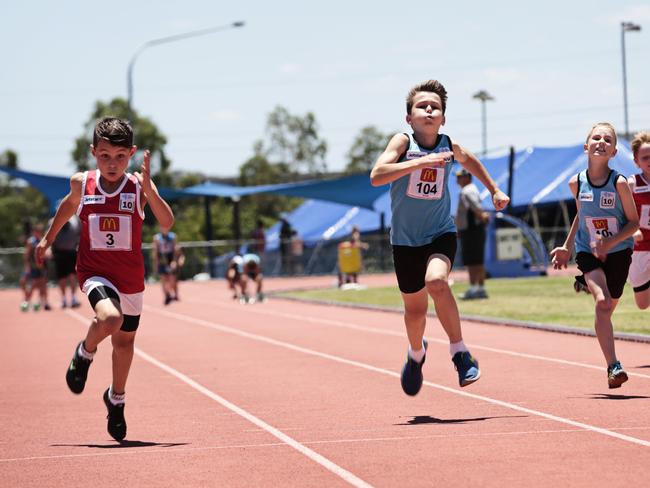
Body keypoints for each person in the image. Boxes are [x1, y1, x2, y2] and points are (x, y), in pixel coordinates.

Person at [36, 117, 174, 441]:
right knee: (110, 318)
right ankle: (85, 352)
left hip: (130, 277)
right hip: (95, 271)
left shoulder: (138, 186)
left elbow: (166, 223)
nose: (112, 164)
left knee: (125, 344)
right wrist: (47, 239)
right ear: (93, 152)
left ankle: (116, 399)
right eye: (105, 156)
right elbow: (68, 209)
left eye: (120, 157)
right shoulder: (81, 183)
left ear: (132, 154)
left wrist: (149, 188)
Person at [370, 79, 509, 396]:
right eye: (422, 106)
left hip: (439, 234)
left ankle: (460, 352)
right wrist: (418, 162)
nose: (429, 110)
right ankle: (416, 354)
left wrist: (494, 189)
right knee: (415, 313)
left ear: (443, 118)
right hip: (405, 242)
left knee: (437, 282)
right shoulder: (402, 143)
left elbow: (469, 160)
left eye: (435, 107)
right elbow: (376, 176)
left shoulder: (449, 144)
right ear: (409, 118)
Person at [551, 122, 638, 389]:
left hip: (619, 253)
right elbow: (582, 214)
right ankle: (613, 366)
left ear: (613, 152)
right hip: (588, 250)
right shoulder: (575, 183)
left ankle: (586, 284)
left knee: (609, 306)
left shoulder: (619, 183)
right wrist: (566, 246)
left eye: (608, 139)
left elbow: (633, 223)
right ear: (586, 146)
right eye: (596, 137)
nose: (601, 141)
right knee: (603, 303)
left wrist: (610, 242)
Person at [455, 168, 490, 299]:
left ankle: (474, 288)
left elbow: (475, 207)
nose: (457, 179)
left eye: (460, 177)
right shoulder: (472, 189)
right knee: (477, 260)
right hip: (474, 229)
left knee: (472, 261)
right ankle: (480, 288)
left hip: (471, 230)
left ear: (467, 178)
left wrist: (482, 216)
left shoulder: (467, 190)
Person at [627, 131, 650, 310]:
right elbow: (621, 213)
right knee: (642, 304)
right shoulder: (632, 184)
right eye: (645, 157)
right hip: (640, 249)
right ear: (637, 161)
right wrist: (632, 229)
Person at [51, 215, 81, 308]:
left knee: (66, 276)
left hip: (64, 252)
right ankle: (70, 298)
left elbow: (50, 237)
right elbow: (80, 235)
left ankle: (68, 298)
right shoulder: (75, 220)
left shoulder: (53, 220)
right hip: (67, 252)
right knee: (68, 276)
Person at [21, 223, 51, 311]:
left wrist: (48, 254)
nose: (38, 233)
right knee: (32, 284)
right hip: (33, 267)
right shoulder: (31, 241)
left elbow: (48, 252)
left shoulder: (43, 240)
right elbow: (26, 255)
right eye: (37, 231)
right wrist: (27, 267)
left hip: (42, 267)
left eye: (40, 231)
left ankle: (44, 302)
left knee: (43, 285)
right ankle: (27, 301)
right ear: (34, 232)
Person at [152, 226, 181, 305]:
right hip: (162, 259)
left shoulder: (173, 236)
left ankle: (175, 293)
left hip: (170, 258)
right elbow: (155, 251)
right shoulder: (157, 238)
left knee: (172, 279)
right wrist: (156, 264)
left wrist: (174, 261)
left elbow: (176, 249)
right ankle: (167, 295)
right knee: (164, 279)